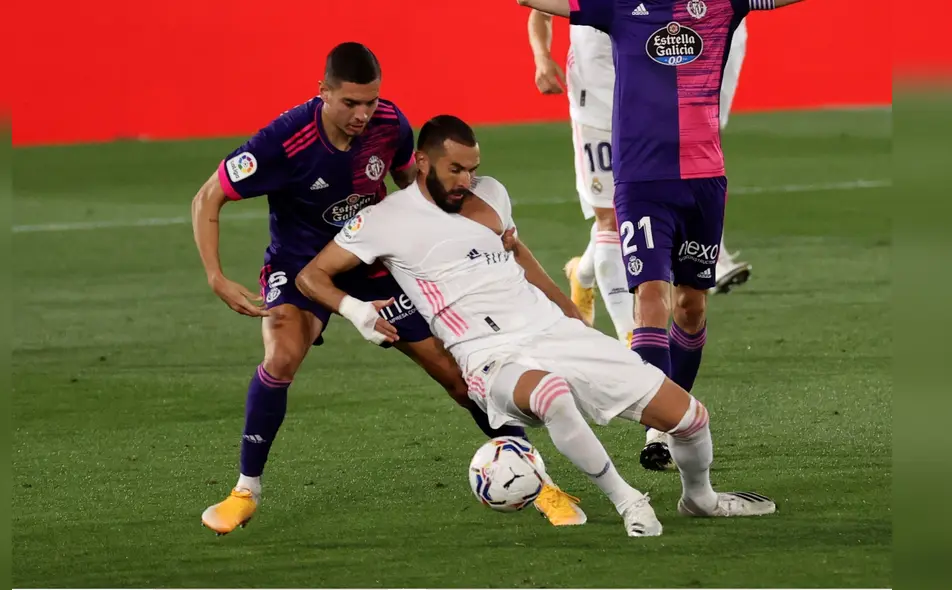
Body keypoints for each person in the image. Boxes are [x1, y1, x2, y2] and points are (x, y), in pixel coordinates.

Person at [295, 115, 777, 536]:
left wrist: (567, 309)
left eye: (473, 168)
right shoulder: (384, 220)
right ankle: (627, 499)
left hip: (552, 330)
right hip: (486, 352)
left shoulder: (493, 194)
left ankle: (701, 498)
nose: (467, 178)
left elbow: (516, 253)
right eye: (455, 169)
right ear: (422, 162)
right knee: (552, 397)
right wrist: (356, 311)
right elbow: (311, 275)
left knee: (691, 418)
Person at [191, 43, 575, 535]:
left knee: (460, 376)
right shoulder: (283, 143)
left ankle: (538, 483)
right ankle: (245, 490)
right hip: (301, 264)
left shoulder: (391, 125)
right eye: (350, 103)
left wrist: (479, 230)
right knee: (282, 356)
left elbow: (415, 195)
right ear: (323, 93)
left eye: (370, 101)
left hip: (371, 260)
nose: (363, 114)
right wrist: (215, 276)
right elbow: (209, 196)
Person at [517, 0, 805, 471]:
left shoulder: (720, 6)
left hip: (703, 178)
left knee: (691, 305)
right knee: (649, 292)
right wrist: (541, 55)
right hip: (639, 172)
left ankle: (588, 279)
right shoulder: (616, 8)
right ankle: (659, 419)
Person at [525, 7, 751, 345]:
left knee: (632, 215)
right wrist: (542, 58)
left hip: (649, 105)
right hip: (596, 104)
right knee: (610, 220)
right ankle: (630, 346)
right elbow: (538, 11)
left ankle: (582, 272)